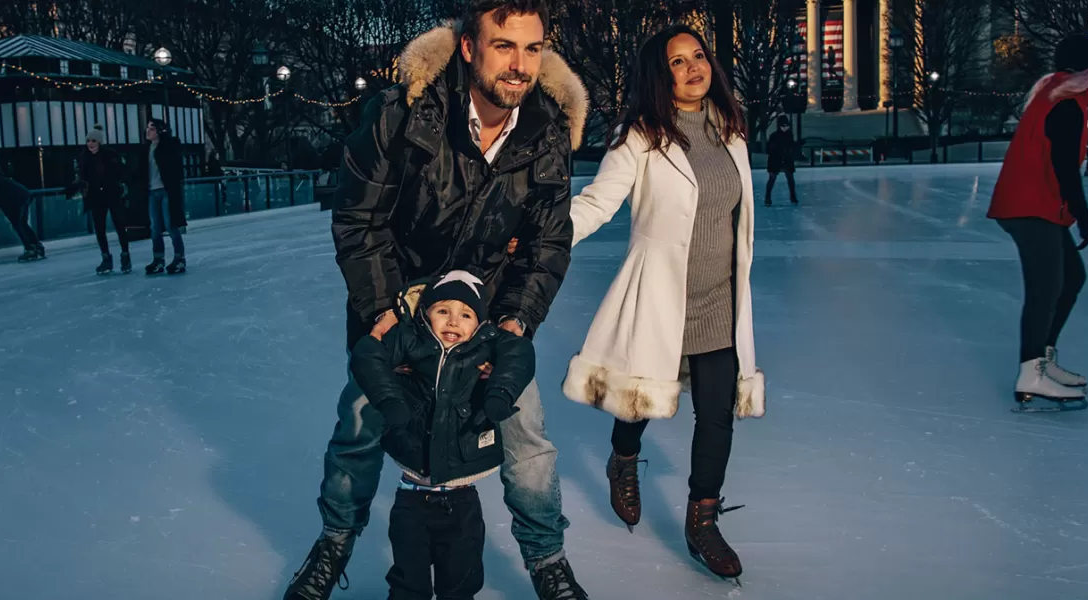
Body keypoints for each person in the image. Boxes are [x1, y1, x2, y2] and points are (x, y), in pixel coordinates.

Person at [282, 1, 588, 599]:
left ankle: (547, 560)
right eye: (504, 45)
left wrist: (517, 321)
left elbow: (550, 241)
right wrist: (383, 313)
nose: (520, 64)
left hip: (489, 315)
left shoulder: (547, 130)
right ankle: (334, 542)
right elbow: (359, 218)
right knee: (361, 424)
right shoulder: (403, 114)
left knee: (527, 434)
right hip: (399, 303)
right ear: (470, 47)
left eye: (532, 48)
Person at [561, 24, 765, 584]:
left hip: (721, 298)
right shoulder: (641, 136)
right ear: (661, 73)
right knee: (638, 403)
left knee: (717, 415)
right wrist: (545, 234)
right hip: (662, 298)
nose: (694, 67)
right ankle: (623, 458)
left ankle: (703, 518)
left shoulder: (731, 129)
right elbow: (599, 202)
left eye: (699, 56)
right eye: (678, 62)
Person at [350, 270, 534, 600]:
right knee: (409, 585)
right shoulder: (410, 341)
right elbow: (368, 354)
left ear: (478, 324)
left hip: (462, 501)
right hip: (411, 498)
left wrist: (499, 392)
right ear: (426, 314)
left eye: (465, 314)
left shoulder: (486, 348)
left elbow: (520, 353)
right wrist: (389, 398)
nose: (453, 322)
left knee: (460, 585)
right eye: (443, 311)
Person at [986, 33, 1088, 408]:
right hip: (1029, 206)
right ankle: (1031, 372)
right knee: (1046, 289)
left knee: (1071, 278)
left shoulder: (1056, 94)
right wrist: (1082, 214)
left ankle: (1043, 361)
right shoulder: (1064, 104)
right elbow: (1064, 167)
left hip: (1036, 204)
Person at [70, 124, 131, 275]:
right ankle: (106, 258)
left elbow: (121, 172)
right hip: (95, 196)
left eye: (93, 141)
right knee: (99, 228)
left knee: (119, 224)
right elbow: (81, 177)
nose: (90, 144)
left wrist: (120, 184)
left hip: (112, 194)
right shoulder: (84, 157)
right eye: (88, 141)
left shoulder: (110, 155)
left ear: (99, 142)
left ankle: (125, 255)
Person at [142, 118, 186, 275]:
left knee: (170, 225)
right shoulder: (147, 148)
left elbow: (176, 168)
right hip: (152, 191)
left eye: (152, 128)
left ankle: (180, 258)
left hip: (166, 190)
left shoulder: (167, 147)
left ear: (159, 131)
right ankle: (158, 259)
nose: (148, 131)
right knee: (154, 228)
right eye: (148, 128)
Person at [0, 166, 45, 262]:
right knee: (23, 224)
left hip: (17, 202)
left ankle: (29, 249)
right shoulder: (0, 178)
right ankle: (37, 246)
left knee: (18, 226)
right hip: (24, 196)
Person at [764, 115, 798, 206]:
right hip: (775, 159)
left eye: (787, 126)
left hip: (786, 159)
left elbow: (791, 146)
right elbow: (769, 149)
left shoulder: (789, 135)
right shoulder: (774, 136)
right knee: (772, 178)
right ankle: (767, 198)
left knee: (790, 178)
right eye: (783, 126)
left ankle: (793, 197)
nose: (785, 128)